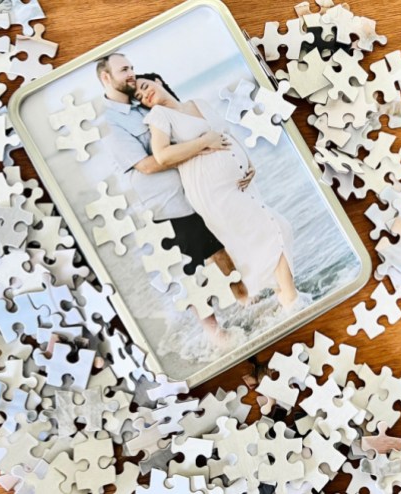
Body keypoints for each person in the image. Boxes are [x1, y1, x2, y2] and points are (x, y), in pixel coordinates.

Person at [96, 53, 249, 342]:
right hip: (167, 206)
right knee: (189, 270)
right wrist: (202, 146)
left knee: (220, 250)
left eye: (132, 67)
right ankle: (215, 333)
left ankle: (244, 300)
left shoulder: (142, 103)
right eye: (124, 69)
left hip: (194, 190)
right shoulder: (110, 124)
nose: (131, 73)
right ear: (106, 77)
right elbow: (147, 164)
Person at [137, 74, 303, 312]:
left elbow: (225, 133)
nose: (146, 96)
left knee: (260, 236)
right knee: (276, 227)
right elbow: (162, 155)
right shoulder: (159, 116)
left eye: (146, 87)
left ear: (158, 81)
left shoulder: (198, 103)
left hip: (241, 181)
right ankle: (291, 300)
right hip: (210, 189)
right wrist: (203, 143)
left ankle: (281, 295)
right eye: (141, 97)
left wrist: (249, 161)